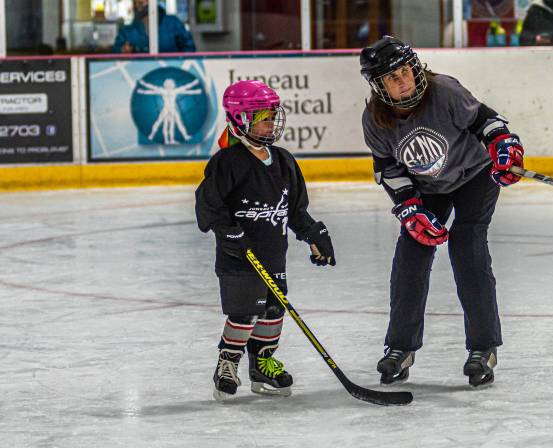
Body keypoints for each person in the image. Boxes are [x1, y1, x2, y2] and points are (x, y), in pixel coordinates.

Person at [359, 36, 525, 388]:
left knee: (467, 247)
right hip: (426, 188)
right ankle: (400, 348)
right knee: (410, 255)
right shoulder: (375, 121)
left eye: (406, 71)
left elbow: (486, 120)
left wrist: (502, 144)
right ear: (379, 86)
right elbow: (389, 170)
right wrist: (409, 208)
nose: (404, 80)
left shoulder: (444, 91)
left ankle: (483, 348)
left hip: (474, 177)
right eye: (393, 77)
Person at [196, 80, 336, 401]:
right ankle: (227, 363)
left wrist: (313, 233)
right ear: (241, 119)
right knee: (245, 312)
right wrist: (229, 232)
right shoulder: (227, 162)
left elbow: (296, 209)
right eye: (263, 117)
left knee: (274, 308)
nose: (270, 123)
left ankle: (262, 363)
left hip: (272, 253)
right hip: (239, 258)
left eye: (272, 116)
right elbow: (208, 206)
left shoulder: (284, 160)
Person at [113, 0, 196, 53]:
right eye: (136, 3)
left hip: (171, 74)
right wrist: (123, 50)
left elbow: (189, 49)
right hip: (137, 74)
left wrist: (179, 64)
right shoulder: (127, 30)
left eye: (141, 3)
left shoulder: (173, 23)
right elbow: (115, 51)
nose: (139, 6)